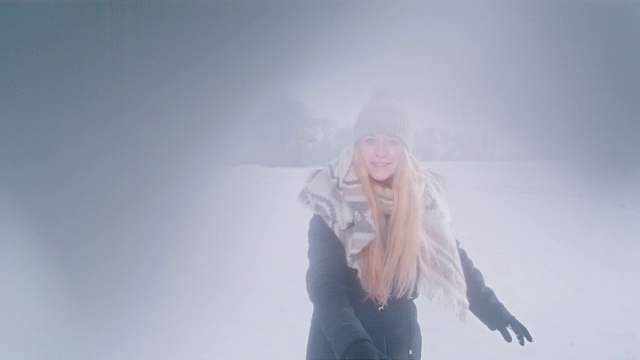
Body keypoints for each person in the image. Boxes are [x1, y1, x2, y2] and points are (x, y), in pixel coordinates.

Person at [299, 94, 533, 360]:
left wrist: (494, 311)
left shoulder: (421, 202)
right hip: (342, 346)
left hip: (400, 344)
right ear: (357, 146)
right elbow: (325, 284)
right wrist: (354, 346)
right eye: (370, 140)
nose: (381, 151)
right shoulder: (333, 201)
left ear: (405, 149)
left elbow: (452, 262)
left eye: (392, 141)